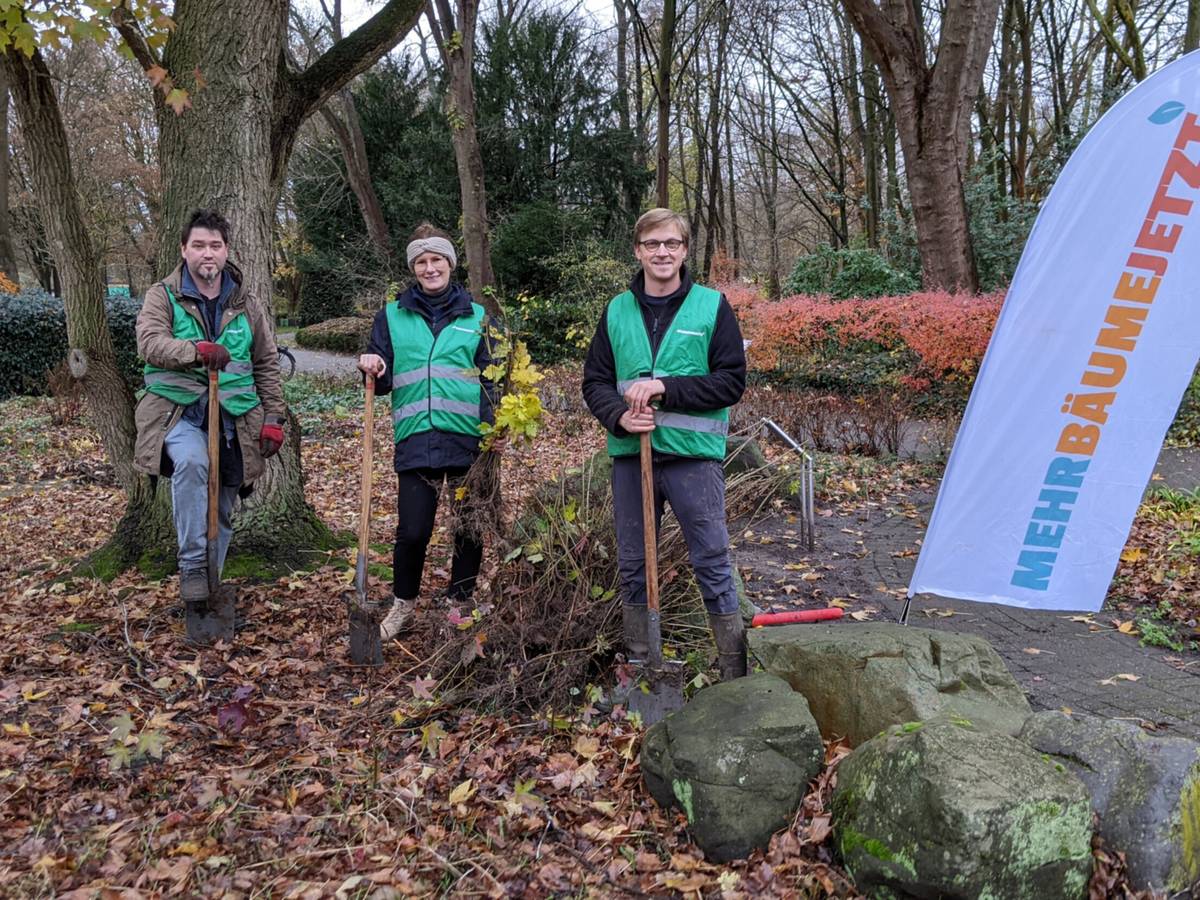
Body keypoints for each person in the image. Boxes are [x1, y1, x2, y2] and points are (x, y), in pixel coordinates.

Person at [582, 208, 749, 680]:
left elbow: (730, 382)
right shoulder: (616, 311)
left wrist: (664, 387)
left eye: (671, 243)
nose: (662, 252)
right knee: (634, 562)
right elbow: (595, 382)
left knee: (711, 559)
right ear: (637, 251)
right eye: (652, 244)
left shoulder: (712, 307)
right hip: (631, 459)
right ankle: (642, 664)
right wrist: (619, 417)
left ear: (684, 250)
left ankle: (734, 672)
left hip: (694, 461)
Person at [134, 208, 287, 604]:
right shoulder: (162, 295)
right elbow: (149, 342)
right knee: (192, 462)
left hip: (235, 419)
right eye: (199, 245)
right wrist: (195, 351)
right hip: (177, 414)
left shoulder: (246, 302)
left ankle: (206, 593)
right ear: (184, 249)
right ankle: (191, 566)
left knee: (220, 509)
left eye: (215, 246)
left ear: (226, 250)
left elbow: (266, 362)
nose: (207, 253)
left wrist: (273, 417)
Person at [357, 224, 496, 640]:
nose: (430, 268)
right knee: (413, 530)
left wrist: (494, 430)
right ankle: (403, 605)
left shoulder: (477, 317)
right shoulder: (391, 316)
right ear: (413, 268)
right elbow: (381, 376)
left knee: (468, 527)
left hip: (470, 439)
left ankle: (460, 604)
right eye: (421, 262)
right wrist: (372, 366)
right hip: (416, 435)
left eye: (437, 260)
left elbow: (493, 378)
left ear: (450, 265)